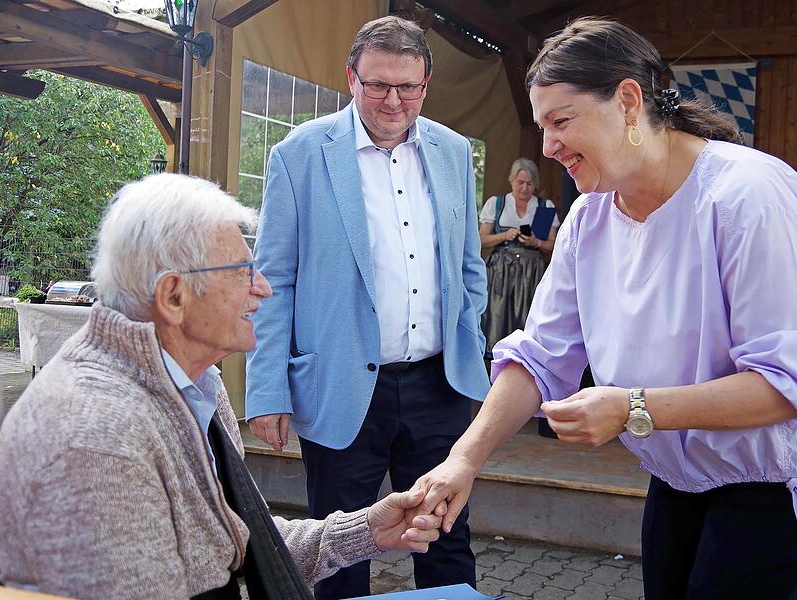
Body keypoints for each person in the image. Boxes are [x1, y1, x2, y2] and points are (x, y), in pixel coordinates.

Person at [411, 17, 797, 600]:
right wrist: (462, 462)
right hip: (673, 482)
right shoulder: (589, 219)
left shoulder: (745, 195)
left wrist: (632, 407)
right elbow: (540, 357)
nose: (547, 147)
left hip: (766, 494)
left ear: (628, 100)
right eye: (542, 127)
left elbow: (782, 384)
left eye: (561, 122)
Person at [0, 173, 444, 600]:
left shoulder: (192, 381)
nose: (264, 288)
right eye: (242, 271)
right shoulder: (97, 443)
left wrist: (366, 530)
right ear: (174, 296)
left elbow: (234, 534)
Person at [244, 15, 490, 599]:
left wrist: (470, 345)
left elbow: (467, 268)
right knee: (339, 551)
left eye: (408, 87)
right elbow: (273, 278)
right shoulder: (298, 154)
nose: (393, 100)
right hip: (340, 385)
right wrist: (268, 389)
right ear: (350, 78)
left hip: (442, 386)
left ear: (426, 84)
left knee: (447, 539)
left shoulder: (454, 153)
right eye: (378, 84)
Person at [478, 157, 559, 354]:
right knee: (498, 316)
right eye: (520, 182)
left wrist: (536, 242)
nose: (524, 188)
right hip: (500, 271)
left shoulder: (544, 206)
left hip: (531, 273)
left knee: (528, 316)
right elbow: (480, 241)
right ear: (511, 180)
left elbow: (554, 246)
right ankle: (493, 361)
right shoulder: (496, 204)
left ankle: (526, 360)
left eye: (529, 183)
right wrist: (505, 235)